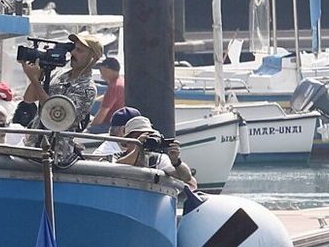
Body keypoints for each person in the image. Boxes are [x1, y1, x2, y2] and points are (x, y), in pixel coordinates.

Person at [22, 32, 102, 166]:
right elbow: (29, 99)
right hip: (33, 145)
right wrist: (38, 74)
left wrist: (34, 81)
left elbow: (57, 116)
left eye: (79, 50)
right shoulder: (59, 76)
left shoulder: (87, 88)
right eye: (73, 49)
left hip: (56, 154)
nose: (73, 53)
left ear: (92, 57)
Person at [113, 115, 198, 190]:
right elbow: (115, 169)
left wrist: (176, 161)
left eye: (147, 136)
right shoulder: (117, 156)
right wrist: (137, 149)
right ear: (127, 140)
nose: (142, 140)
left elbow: (186, 177)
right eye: (136, 136)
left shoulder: (158, 159)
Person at [88, 57, 125, 133]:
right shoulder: (121, 81)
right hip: (119, 122)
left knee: (83, 130)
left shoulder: (114, 87)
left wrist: (89, 126)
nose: (100, 72)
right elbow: (106, 98)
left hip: (110, 125)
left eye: (100, 69)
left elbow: (102, 114)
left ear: (107, 70)